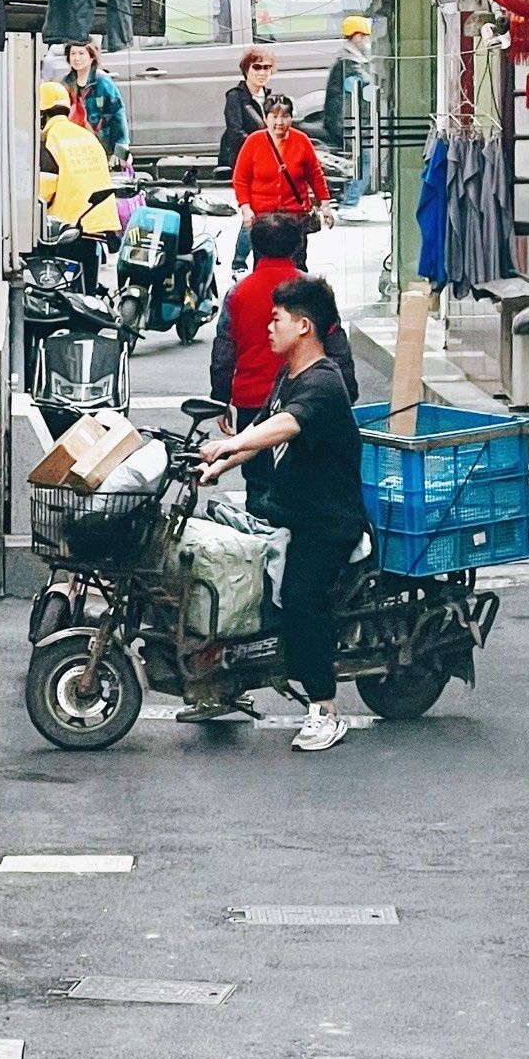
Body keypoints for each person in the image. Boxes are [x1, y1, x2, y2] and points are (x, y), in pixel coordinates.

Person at [200, 273, 368, 753]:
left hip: (327, 522)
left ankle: (325, 708)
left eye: (276, 320)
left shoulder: (323, 383)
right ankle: (224, 683)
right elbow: (261, 426)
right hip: (291, 513)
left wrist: (228, 444)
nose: (268, 329)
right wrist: (219, 463)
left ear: (304, 326)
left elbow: (285, 426)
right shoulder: (289, 376)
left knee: (298, 598)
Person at [210, 213, 358, 518]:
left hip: (258, 401)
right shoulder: (309, 293)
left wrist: (220, 397)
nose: (271, 327)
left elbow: (225, 349)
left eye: (276, 321)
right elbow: (339, 347)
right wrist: (347, 395)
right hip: (278, 407)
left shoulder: (240, 292)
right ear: (296, 244)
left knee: (261, 488)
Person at [37, 80, 120, 287]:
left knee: (66, 287)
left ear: (41, 115)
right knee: (87, 284)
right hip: (99, 221)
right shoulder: (87, 136)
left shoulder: (50, 140)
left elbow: (44, 190)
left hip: (71, 224)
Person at [231, 92, 331, 233]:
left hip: (294, 216)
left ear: (291, 118)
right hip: (261, 217)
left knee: (294, 254)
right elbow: (240, 179)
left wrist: (325, 204)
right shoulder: (253, 141)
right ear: (266, 118)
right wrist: (246, 208)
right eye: (274, 116)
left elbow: (315, 175)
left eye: (285, 116)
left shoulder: (302, 140)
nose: (279, 122)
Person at [218, 47, 276, 276]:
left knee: (262, 212)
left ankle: (250, 262)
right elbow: (235, 130)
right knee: (251, 212)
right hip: (245, 161)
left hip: (268, 164)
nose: (262, 73)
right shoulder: (235, 96)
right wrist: (260, 146)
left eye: (267, 68)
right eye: (257, 67)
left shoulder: (271, 98)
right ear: (246, 70)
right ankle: (240, 261)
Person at [322, 16, 377, 210]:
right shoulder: (349, 63)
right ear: (357, 37)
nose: (368, 42)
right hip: (348, 122)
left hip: (350, 121)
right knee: (364, 163)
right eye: (366, 37)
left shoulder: (350, 59)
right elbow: (367, 86)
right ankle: (349, 203)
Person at [63, 38, 130, 162]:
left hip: (100, 145)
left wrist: (122, 146)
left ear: (92, 57)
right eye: (73, 54)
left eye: (81, 53)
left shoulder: (103, 82)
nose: (76, 58)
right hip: (74, 147)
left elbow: (117, 113)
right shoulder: (66, 83)